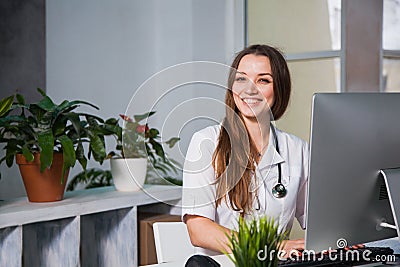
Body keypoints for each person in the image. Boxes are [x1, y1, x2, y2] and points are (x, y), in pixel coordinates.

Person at [182, 44, 308, 257]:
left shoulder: (298, 149)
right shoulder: (206, 142)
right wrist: (272, 248)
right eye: (241, 79)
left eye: (263, 80)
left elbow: (320, 221)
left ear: (279, 88)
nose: (250, 89)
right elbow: (199, 230)